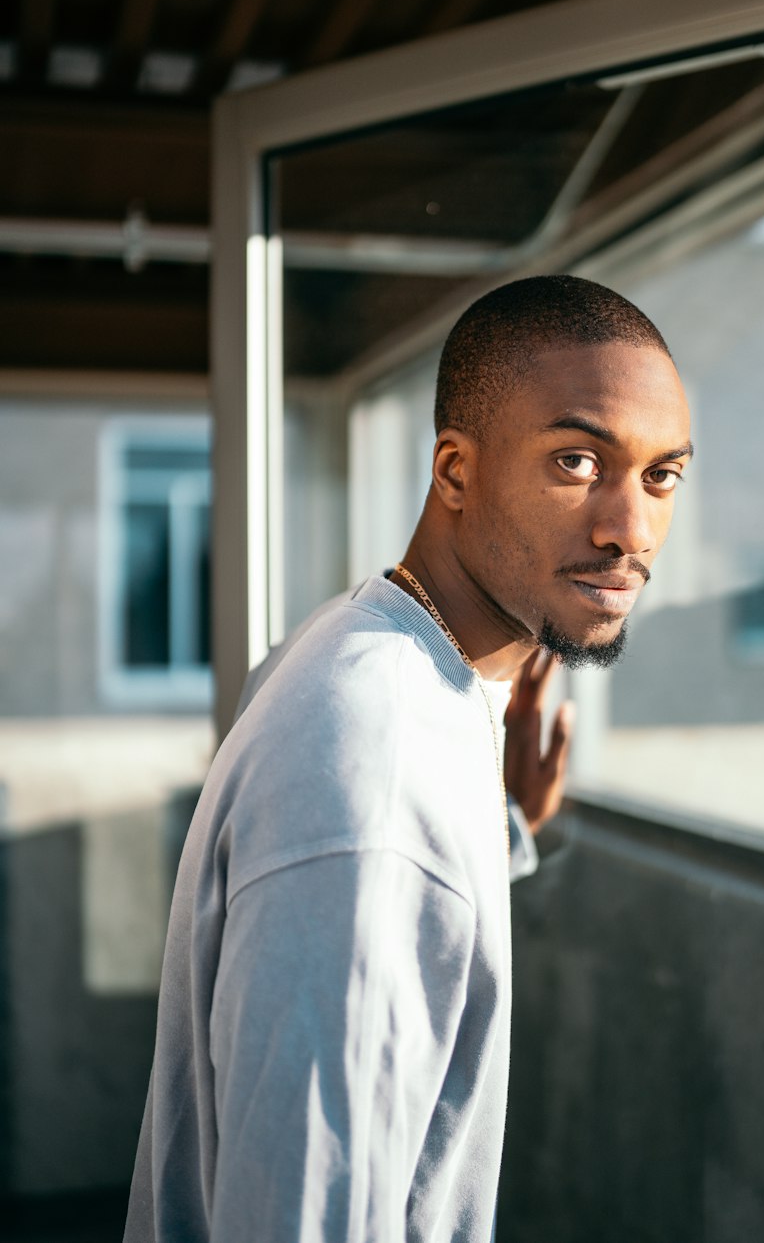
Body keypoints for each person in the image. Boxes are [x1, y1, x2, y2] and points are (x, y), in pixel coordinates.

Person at [123, 274, 692, 1242]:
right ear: (454, 470)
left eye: (659, 475)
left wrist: (492, 820)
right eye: (574, 460)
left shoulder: (381, 662)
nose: (627, 529)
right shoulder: (374, 764)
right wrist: (428, 805)